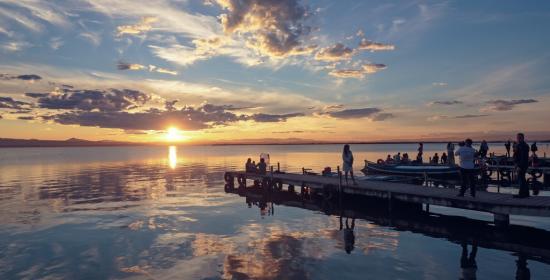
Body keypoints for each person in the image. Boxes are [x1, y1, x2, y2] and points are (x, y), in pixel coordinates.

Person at [514, 133, 530, 198]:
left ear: (523, 138)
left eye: (519, 138)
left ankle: (521, 194)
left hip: (522, 165)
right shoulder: (519, 145)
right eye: (517, 137)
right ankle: (526, 193)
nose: (518, 139)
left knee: (521, 179)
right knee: (522, 178)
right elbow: (517, 155)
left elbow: (523, 157)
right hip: (521, 164)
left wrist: (519, 166)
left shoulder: (523, 145)